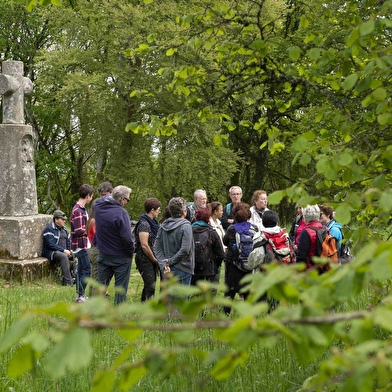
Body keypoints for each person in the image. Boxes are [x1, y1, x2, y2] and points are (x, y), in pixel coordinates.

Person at [94, 185, 134, 305]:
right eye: (127, 200)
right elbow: (127, 237)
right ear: (122, 199)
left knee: (101, 288)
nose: (126, 202)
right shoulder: (121, 213)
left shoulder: (98, 206)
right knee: (120, 289)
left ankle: (98, 314)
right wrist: (131, 250)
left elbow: (102, 199)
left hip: (103, 253)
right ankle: (118, 316)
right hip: (121, 256)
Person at [223, 202, 258, 315]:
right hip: (249, 264)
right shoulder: (254, 228)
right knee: (247, 290)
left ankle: (226, 314)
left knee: (230, 291)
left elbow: (225, 241)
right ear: (248, 215)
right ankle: (249, 315)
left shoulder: (231, 229)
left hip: (233, 264)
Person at [154, 197, 194, 286]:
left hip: (167, 269)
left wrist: (164, 264)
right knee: (181, 299)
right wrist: (169, 262)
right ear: (184, 211)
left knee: (169, 299)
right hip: (183, 268)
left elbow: (156, 247)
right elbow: (185, 250)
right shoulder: (186, 226)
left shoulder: (163, 225)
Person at [71, 184, 95, 302]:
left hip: (83, 244)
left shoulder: (81, 209)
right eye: (91, 196)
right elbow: (78, 230)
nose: (91, 199)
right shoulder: (78, 210)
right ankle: (80, 296)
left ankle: (80, 295)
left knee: (81, 271)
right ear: (88, 196)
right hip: (81, 245)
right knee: (87, 271)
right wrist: (90, 229)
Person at [135, 197, 162, 301]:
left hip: (152, 258)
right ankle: (145, 307)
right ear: (152, 210)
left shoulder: (154, 223)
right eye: (158, 210)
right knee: (150, 285)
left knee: (152, 285)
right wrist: (154, 260)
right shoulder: (144, 224)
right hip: (145, 259)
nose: (159, 212)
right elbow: (144, 245)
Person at [191, 207, 225, 285]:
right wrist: (216, 265)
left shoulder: (189, 231)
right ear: (208, 218)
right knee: (209, 292)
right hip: (209, 268)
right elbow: (220, 253)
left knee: (194, 292)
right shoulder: (212, 232)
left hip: (192, 267)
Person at [42, 210, 74, 286]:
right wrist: (63, 250)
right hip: (52, 252)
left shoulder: (65, 229)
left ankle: (74, 277)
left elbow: (68, 241)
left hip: (63, 251)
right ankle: (68, 282)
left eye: (65, 219)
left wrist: (70, 250)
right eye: (62, 219)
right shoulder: (49, 229)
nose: (64, 221)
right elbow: (51, 245)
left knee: (76, 255)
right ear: (56, 219)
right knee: (63, 256)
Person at [296, 204, 324, 271]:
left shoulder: (306, 232)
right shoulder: (324, 229)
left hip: (311, 269)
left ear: (305, 216)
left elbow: (301, 256)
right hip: (323, 266)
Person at [208, 201, 226, 285]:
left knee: (217, 279)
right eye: (221, 210)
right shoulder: (209, 223)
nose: (222, 212)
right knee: (213, 280)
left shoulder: (218, 222)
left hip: (220, 253)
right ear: (215, 212)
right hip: (212, 255)